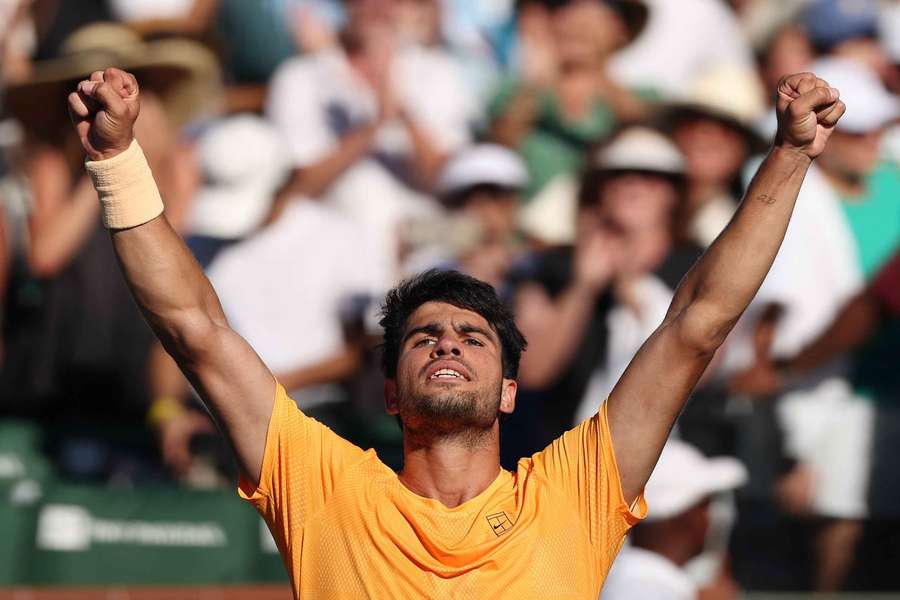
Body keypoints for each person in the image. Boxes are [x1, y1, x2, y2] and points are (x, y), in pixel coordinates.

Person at [67, 65, 843, 597]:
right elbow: (194, 328)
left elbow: (695, 326)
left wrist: (788, 156)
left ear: (510, 391)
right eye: (423, 336)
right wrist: (117, 162)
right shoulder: (326, 486)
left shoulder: (574, 493)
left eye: (474, 338)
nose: (446, 343)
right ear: (390, 393)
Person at [602, 439, 747, 600]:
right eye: (705, 504)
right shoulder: (642, 588)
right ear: (688, 515)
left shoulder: (627, 579)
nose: (712, 515)